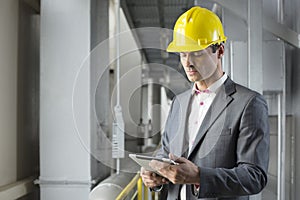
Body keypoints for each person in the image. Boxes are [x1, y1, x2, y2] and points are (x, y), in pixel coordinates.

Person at [140, 6, 269, 200]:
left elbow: (254, 177)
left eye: (197, 53)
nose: (188, 62)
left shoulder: (248, 103)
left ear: (220, 51)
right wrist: (155, 174)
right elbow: (166, 152)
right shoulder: (179, 102)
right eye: (183, 54)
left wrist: (199, 176)